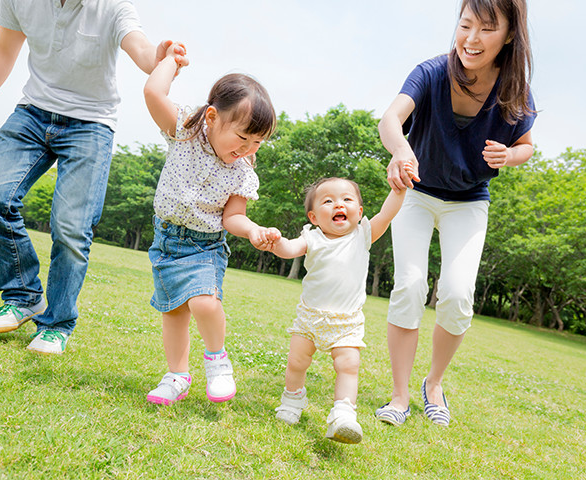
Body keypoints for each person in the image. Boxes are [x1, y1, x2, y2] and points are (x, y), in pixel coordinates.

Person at [0, 0, 187, 355]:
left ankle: (57, 324)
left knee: (71, 227)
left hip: (91, 123)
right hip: (33, 113)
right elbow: (3, 49)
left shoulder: (112, 7)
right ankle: (23, 297)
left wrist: (159, 57)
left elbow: (138, 47)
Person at [376, 0, 536, 427]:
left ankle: (433, 386)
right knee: (409, 285)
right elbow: (391, 118)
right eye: (465, 25)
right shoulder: (431, 72)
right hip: (416, 192)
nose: (471, 38)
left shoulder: (514, 88)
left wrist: (510, 155)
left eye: (486, 28)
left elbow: (527, 145)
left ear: (509, 35)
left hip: (469, 201)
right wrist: (402, 149)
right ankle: (398, 396)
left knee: (459, 293)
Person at [142, 42, 279, 405]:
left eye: (258, 142)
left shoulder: (242, 172)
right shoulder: (185, 131)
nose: (248, 149)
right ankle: (177, 375)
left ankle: (217, 361)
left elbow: (233, 217)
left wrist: (252, 231)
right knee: (173, 312)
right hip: (166, 240)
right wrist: (171, 62)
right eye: (243, 137)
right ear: (213, 117)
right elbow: (153, 91)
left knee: (203, 302)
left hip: (204, 245)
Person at [264, 177, 406, 444]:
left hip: (347, 321)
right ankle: (292, 401)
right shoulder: (312, 237)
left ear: (360, 213)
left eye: (347, 200)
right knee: (297, 362)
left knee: (348, 366)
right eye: (328, 201)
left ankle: (343, 413)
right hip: (310, 317)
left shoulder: (363, 234)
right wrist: (275, 241)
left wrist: (398, 189)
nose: (338, 204)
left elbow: (387, 214)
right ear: (314, 216)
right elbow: (290, 249)